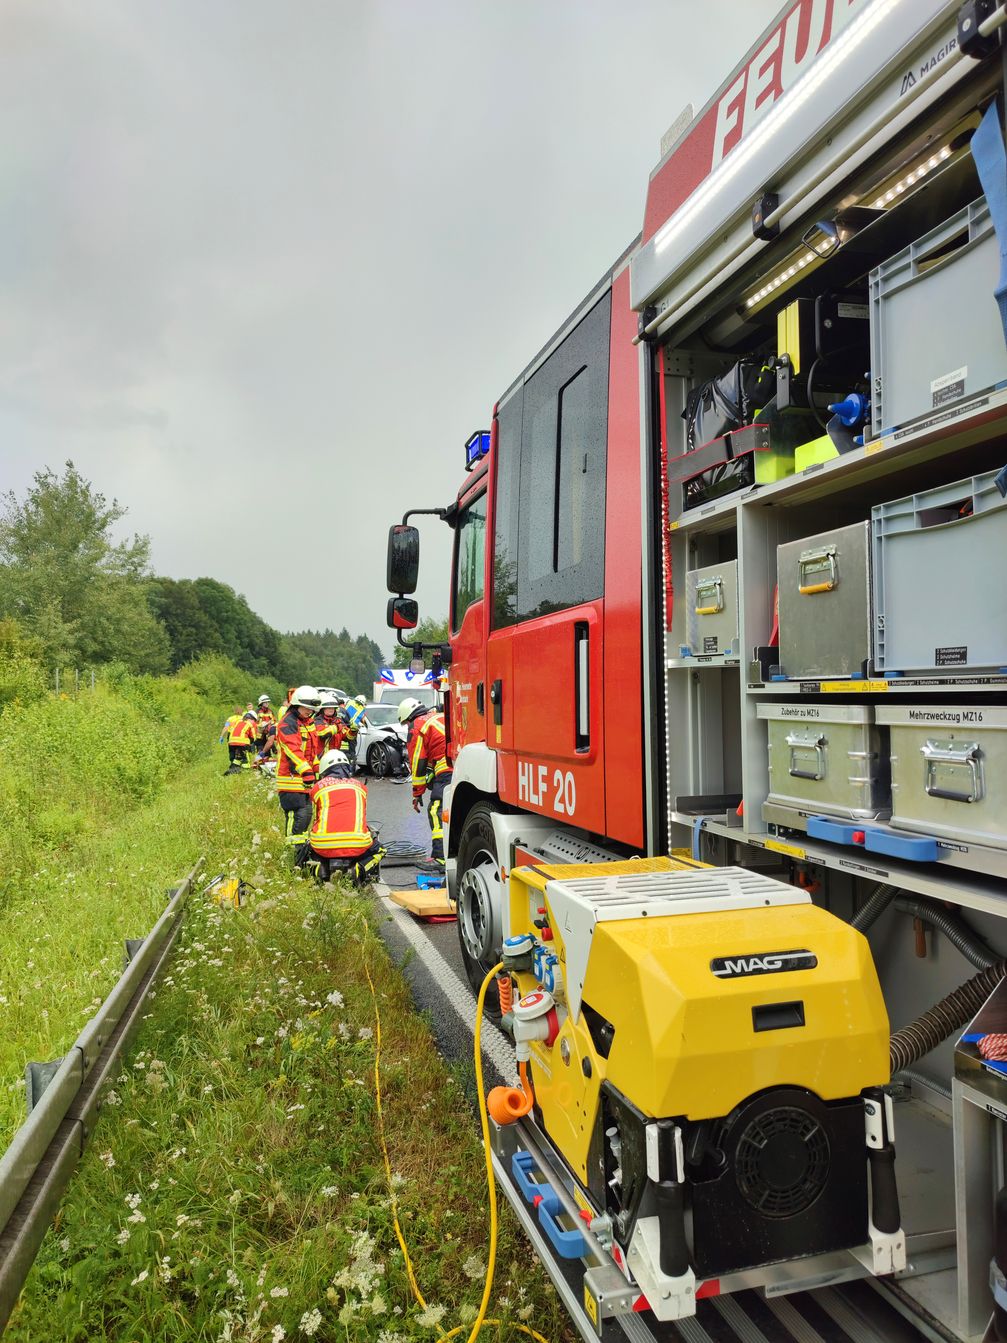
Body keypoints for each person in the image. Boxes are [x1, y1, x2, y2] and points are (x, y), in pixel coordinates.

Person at [307, 748, 385, 883]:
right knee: (381, 850)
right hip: (357, 845)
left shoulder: (317, 788)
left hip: (323, 845)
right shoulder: (361, 787)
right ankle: (361, 868)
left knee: (306, 848)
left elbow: (318, 816)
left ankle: (319, 868)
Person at [400, 697, 451, 873]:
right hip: (464, 763)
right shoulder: (436, 716)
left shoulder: (417, 726)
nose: (408, 727)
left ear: (408, 718)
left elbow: (418, 762)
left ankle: (440, 858)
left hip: (447, 768)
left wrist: (417, 793)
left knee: (436, 809)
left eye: (406, 724)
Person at [275, 685, 322, 864]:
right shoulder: (288, 723)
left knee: (307, 813)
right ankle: (292, 852)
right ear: (296, 705)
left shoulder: (308, 723)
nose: (309, 712)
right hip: (290, 778)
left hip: (304, 778)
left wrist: (320, 769)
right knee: (297, 814)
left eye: (312, 709)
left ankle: (300, 852)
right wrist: (306, 770)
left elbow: (312, 752)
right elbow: (291, 748)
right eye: (306, 708)